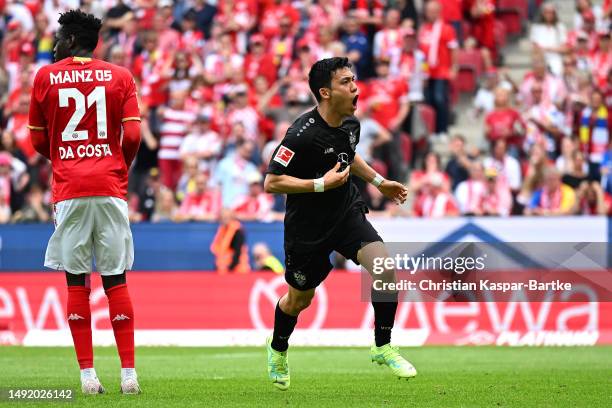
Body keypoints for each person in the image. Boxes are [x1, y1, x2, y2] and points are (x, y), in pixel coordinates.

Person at [264, 57, 415, 391]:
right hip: (307, 228)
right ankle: (277, 348)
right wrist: (320, 184)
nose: (355, 87)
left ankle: (383, 346)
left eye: (354, 79)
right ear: (326, 92)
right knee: (298, 300)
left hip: (346, 213)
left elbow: (349, 153)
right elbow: (271, 183)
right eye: (346, 82)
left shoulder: (352, 124)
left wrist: (379, 181)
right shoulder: (299, 135)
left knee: (385, 267)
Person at [27, 10, 141, 395]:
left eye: (59, 38)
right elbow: (134, 136)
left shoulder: (45, 76)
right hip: (110, 185)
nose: (55, 45)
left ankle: (87, 377)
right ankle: (129, 376)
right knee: (115, 277)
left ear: (71, 41)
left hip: (70, 189)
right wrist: (117, 164)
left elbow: (39, 141)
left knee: (77, 280)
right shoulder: (121, 76)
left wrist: (65, 158)